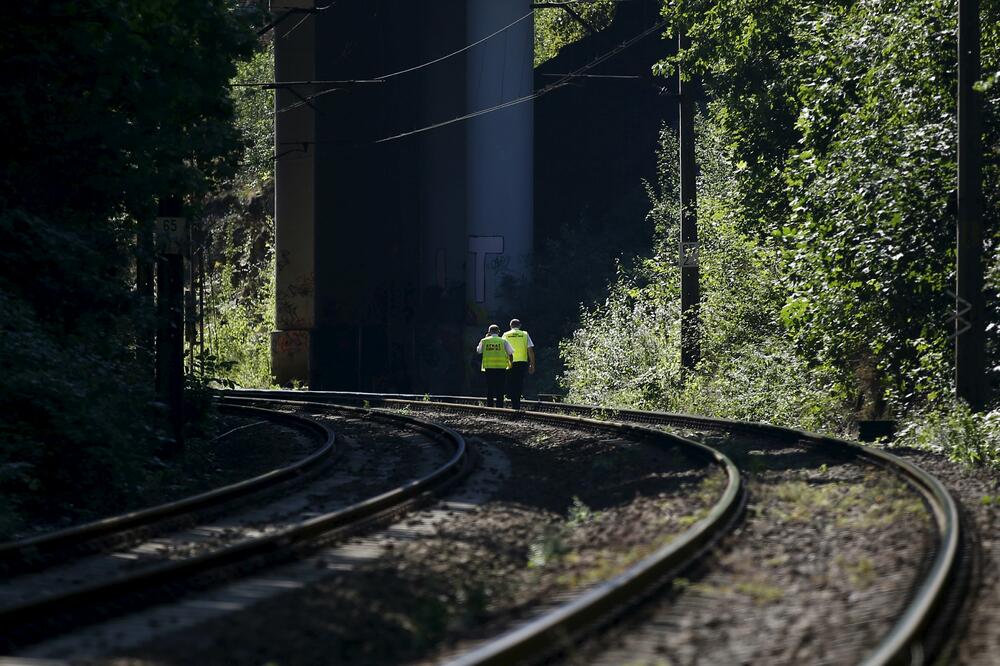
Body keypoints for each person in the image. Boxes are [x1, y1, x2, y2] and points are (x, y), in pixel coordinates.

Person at [476, 324, 513, 408]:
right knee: (500, 387)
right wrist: (511, 363)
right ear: (499, 332)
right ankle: (500, 406)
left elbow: (479, 351)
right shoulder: (503, 341)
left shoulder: (484, 340)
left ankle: (490, 406)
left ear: (489, 332)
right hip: (501, 367)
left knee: (490, 388)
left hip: (489, 367)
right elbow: (510, 353)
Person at [502, 318, 535, 410]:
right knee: (519, 382)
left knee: (511, 382)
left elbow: (502, 348)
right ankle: (517, 404)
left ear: (510, 326)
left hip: (510, 362)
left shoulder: (505, 335)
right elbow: (530, 350)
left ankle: (514, 403)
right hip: (522, 362)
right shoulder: (524, 334)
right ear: (520, 325)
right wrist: (532, 364)